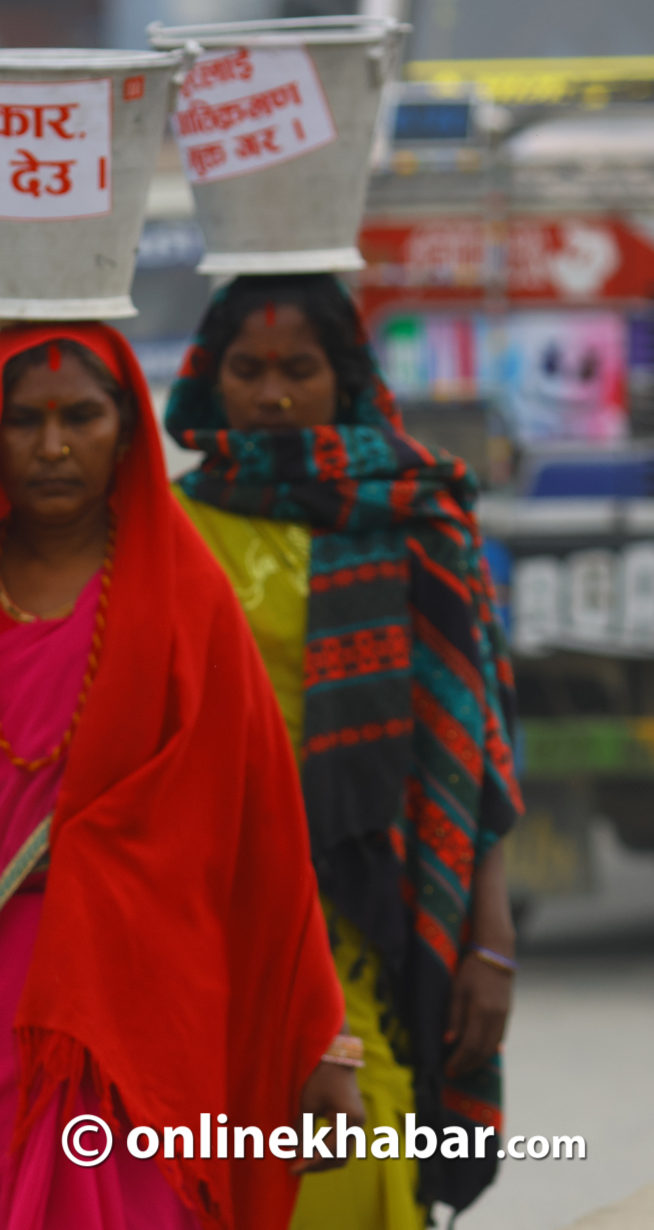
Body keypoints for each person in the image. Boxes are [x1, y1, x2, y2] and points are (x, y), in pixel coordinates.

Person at [0, 323, 361, 1230]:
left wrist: (320, 1037)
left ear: (127, 428)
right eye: (25, 422)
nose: (53, 447)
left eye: (81, 417)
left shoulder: (185, 593)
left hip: (141, 992)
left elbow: (264, 832)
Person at [165, 274, 522, 1227]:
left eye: (299, 370)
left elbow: (472, 748)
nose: (273, 394)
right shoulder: (168, 528)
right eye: (247, 370)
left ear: (345, 377)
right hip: (212, 899)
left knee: (357, 1145)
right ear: (211, 380)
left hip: (368, 902)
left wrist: (487, 934)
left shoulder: (417, 518)